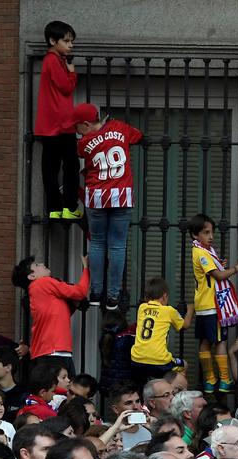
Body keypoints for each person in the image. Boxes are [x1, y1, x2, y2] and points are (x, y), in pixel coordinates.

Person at [70, 102, 142, 310]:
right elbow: (138, 135)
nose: (76, 132)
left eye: (77, 128)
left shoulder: (84, 143)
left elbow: (82, 153)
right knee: (118, 246)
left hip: (97, 198)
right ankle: (113, 296)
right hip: (121, 196)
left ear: (85, 125)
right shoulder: (120, 128)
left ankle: (95, 292)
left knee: (98, 244)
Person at [190, 213, 238, 394]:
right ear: (195, 235)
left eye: (212, 232)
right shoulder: (201, 253)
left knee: (205, 341)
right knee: (220, 341)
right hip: (212, 305)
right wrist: (237, 268)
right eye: (206, 233)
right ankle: (223, 380)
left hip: (202, 305)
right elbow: (218, 275)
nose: (211, 236)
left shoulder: (201, 250)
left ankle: (209, 380)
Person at [11, 255, 89, 373]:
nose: (42, 263)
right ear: (32, 276)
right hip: (55, 351)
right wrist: (86, 268)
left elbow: (60, 314)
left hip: (45, 353)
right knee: (66, 389)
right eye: (37, 265)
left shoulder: (36, 291)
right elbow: (80, 292)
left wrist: (74, 304)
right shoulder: (43, 282)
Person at [37, 20, 80, 221]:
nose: (70, 45)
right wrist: (72, 74)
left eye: (71, 41)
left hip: (49, 126)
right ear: (53, 41)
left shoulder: (52, 60)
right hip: (61, 125)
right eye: (66, 41)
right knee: (70, 167)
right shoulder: (54, 61)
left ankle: (54, 209)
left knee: (51, 168)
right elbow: (65, 87)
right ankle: (68, 207)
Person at [130, 277, 195, 386]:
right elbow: (185, 325)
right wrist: (190, 309)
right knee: (184, 365)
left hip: (137, 359)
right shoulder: (169, 311)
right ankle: (174, 394)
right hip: (159, 361)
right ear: (164, 296)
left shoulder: (142, 308)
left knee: (142, 385)